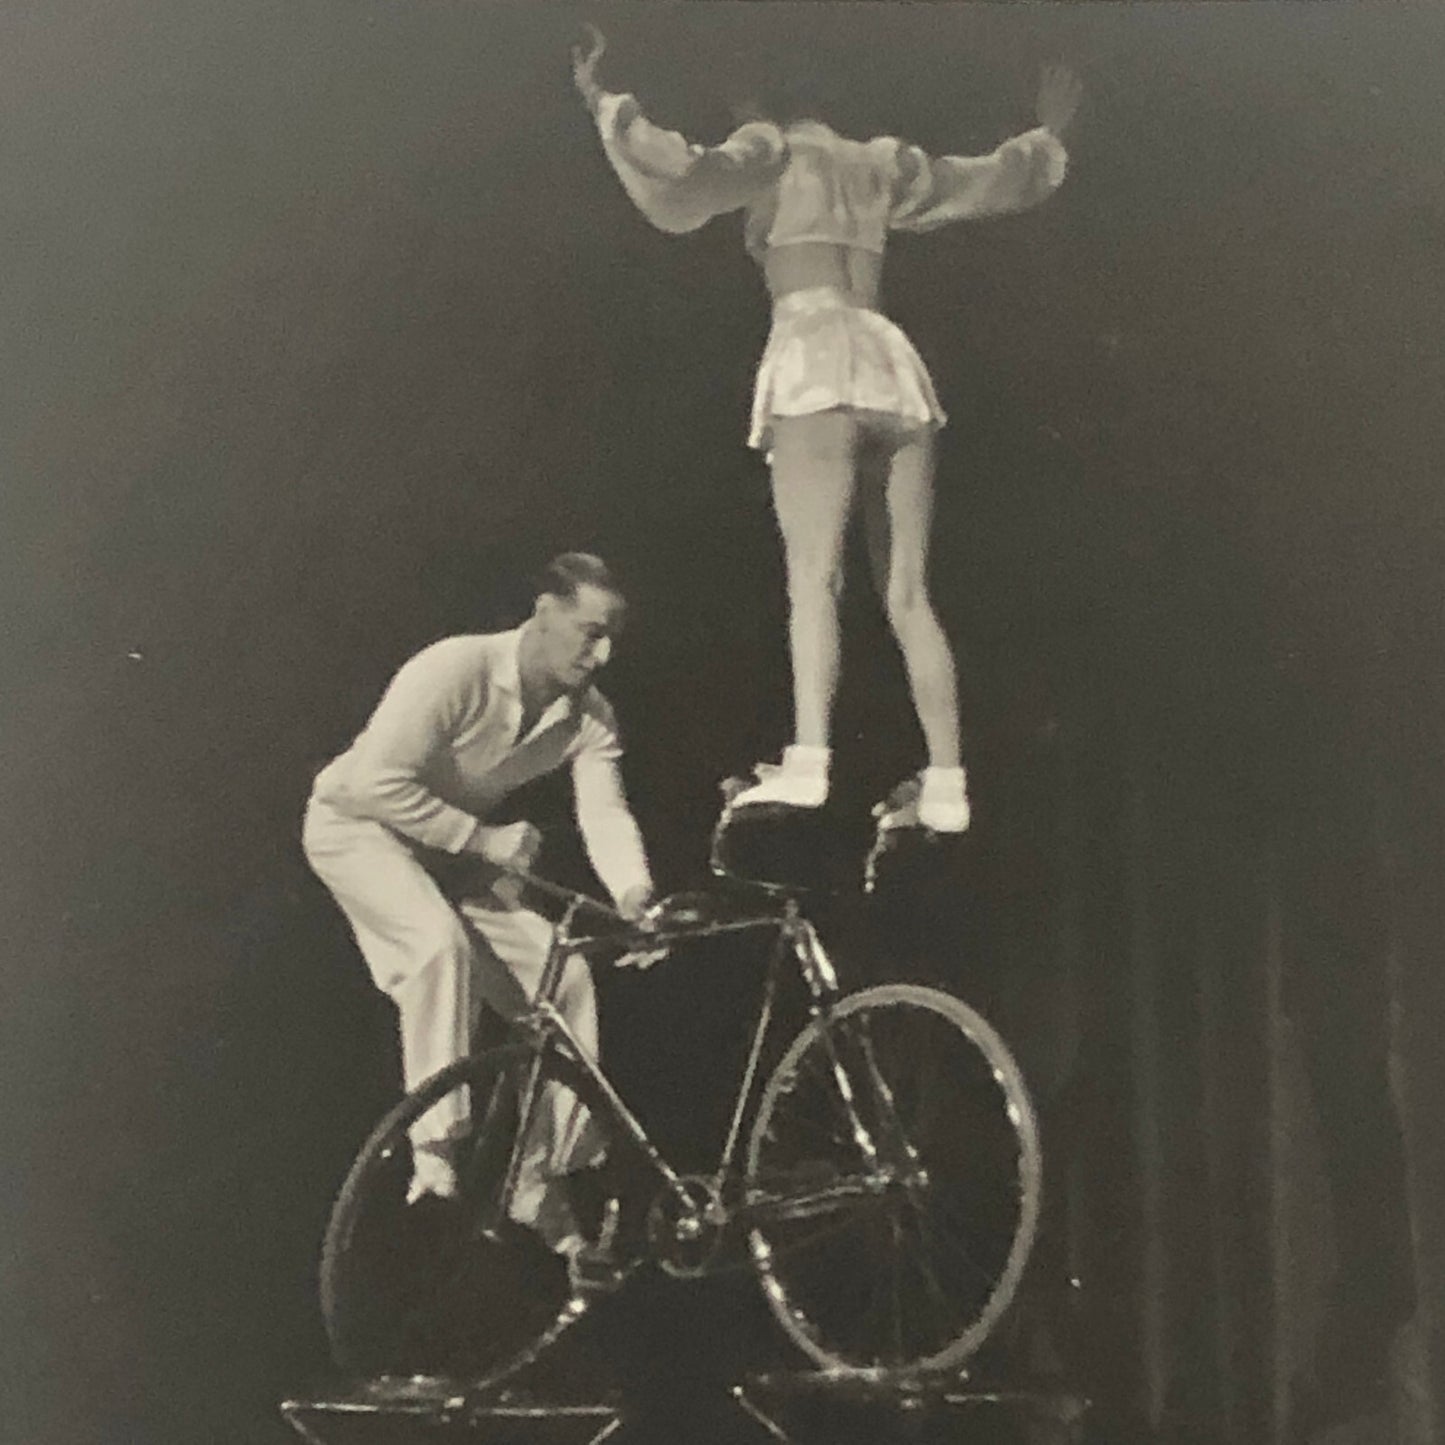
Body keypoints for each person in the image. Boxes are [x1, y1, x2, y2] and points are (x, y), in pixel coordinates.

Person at [573, 27, 1081, 832]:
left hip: (814, 354)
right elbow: (986, 180)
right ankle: (946, 782)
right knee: (907, 590)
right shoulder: (879, 161)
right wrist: (1046, 136)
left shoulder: (771, 146)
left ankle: (809, 761)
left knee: (814, 577)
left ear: (760, 96)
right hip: (889, 358)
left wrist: (605, 103)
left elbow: (684, 171)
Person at [302, 553, 655, 1257]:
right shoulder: (452, 669)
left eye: (613, 636)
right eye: (590, 632)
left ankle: (537, 1176)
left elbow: (605, 813)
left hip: (450, 852)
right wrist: (483, 838)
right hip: (356, 830)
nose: (602, 653)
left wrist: (634, 895)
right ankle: (435, 1154)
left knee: (567, 974)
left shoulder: (587, 717)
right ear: (544, 612)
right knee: (439, 945)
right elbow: (373, 783)